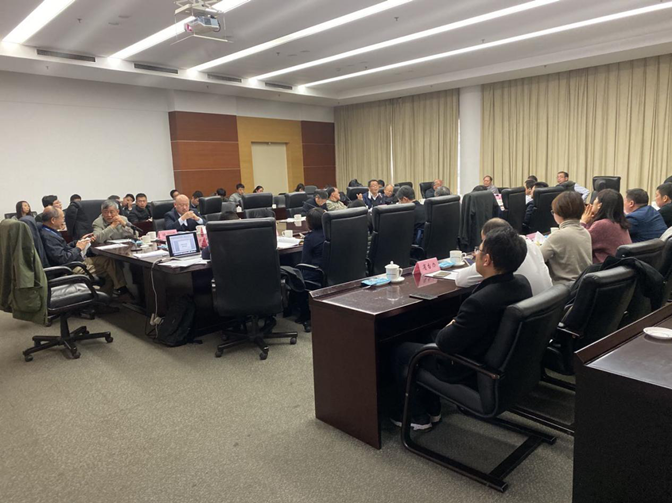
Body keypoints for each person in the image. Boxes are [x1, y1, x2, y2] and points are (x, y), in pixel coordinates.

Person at [391, 226, 532, 429]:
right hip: (500, 359)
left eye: (479, 250)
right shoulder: (521, 284)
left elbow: (445, 343)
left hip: (468, 367)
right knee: (425, 335)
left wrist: (454, 323)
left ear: (487, 260)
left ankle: (417, 416)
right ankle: (433, 408)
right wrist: (455, 324)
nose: (475, 254)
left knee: (400, 351)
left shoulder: (480, 302)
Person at [40, 206, 131, 299]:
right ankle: (103, 300)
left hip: (74, 261)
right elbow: (63, 259)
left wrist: (79, 241)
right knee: (108, 269)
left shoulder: (49, 232)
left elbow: (64, 248)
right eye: (62, 218)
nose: (63, 221)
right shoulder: (48, 236)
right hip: (69, 268)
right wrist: (78, 248)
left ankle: (121, 291)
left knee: (108, 260)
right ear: (53, 220)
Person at [455, 218, 552, 295]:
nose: (483, 245)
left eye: (484, 241)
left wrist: (480, 258)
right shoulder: (530, 244)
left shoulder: (499, 253)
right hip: (547, 304)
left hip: (525, 307)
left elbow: (461, 280)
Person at [540, 191, 592, 284]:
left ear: (559, 213)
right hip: (581, 286)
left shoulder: (557, 236)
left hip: (563, 289)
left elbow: (537, 259)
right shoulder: (586, 232)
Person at [580, 189, 631, 263]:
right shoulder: (619, 222)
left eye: (595, 199)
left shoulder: (603, 224)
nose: (592, 203)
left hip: (605, 268)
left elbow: (579, 242)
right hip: (618, 267)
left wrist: (583, 222)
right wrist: (591, 221)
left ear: (599, 205)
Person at [300, 208, 326, 285]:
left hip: (315, 275)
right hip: (333, 273)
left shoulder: (309, 238)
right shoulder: (332, 232)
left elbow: (305, 261)